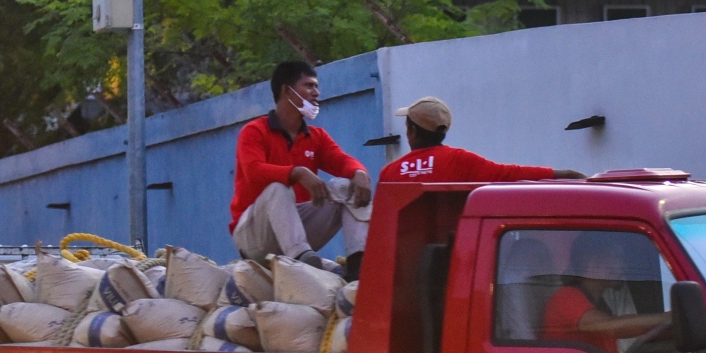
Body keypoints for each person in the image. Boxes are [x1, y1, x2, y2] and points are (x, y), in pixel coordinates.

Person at [230, 61, 372, 269]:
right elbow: (254, 171)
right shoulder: (254, 131)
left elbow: (342, 160)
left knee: (348, 186)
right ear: (286, 91)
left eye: (316, 86)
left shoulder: (317, 136)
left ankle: (358, 262)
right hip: (254, 237)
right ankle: (300, 257)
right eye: (309, 86)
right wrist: (297, 173)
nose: (316, 93)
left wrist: (359, 173)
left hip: (294, 232)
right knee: (278, 188)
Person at [379, 97, 587, 184]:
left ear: (412, 132)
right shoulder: (460, 161)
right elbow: (510, 174)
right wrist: (562, 174)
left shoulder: (390, 172)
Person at [540, 231, 667, 353]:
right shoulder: (567, 298)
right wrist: (668, 317)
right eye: (617, 258)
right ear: (593, 262)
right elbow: (612, 328)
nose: (624, 267)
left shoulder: (600, 303)